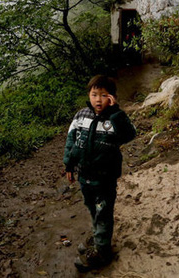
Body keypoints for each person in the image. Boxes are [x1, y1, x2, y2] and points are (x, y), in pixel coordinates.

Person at [63, 75, 136, 271]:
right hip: (85, 176)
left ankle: (102, 251)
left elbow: (130, 135)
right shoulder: (81, 116)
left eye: (104, 95)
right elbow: (71, 141)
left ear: (112, 97)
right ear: (89, 95)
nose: (98, 99)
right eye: (94, 94)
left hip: (106, 177)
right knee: (92, 207)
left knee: (103, 211)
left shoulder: (115, 119)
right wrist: (69, 165)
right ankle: (98, 237)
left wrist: (116, 112)